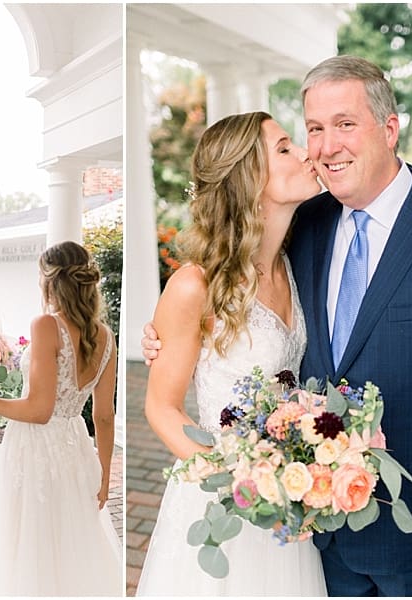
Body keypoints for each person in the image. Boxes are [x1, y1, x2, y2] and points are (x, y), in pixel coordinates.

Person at [142, 56, 412, 596]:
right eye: (312, 130)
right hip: (308, 535)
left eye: (345, 124)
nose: (321, 147)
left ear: (389, 129)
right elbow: (212, 313)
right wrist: (164, 332)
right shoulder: (308, 227)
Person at [134, 112, 327, 595]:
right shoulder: (193, 285)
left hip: (287, 497)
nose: (306, 151)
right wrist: (237, 482)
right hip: (223, 499)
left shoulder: (294, 261)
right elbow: (160, 406)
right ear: (248, 177)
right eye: (284, 148)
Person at [0, 241, 122, 596]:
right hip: (77, 449)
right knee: (70, 543)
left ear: (50, 281)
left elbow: (38, 410)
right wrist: (104, 474)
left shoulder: (46, 324)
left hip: (37, 448)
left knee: (32, 544)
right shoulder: (106, 337)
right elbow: (104, 417)